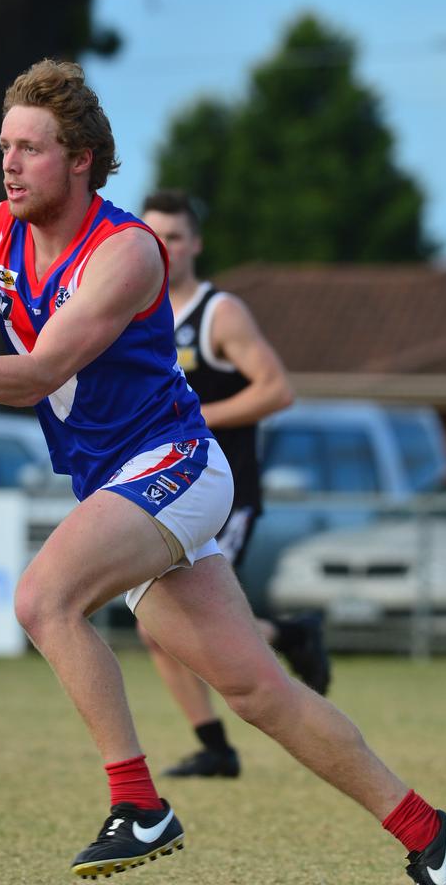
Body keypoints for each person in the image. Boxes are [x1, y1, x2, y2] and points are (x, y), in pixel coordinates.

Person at [0, 59, 446, 884]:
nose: (11, 165)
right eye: (4, 147)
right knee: (257, 694)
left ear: (82, 157)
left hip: (177, 464)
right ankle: (430, 832)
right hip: (121, 482)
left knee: (41, 599)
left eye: (31, 148)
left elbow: (31, 376)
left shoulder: (124, 251)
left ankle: (138, 803)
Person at [137, 188, 329, 780]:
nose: (163, 247)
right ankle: (217, 740)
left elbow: (277, 390)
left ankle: (284, 646)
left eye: (174, 236)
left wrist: (197, 422)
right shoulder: (133, 310)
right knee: (157, 622)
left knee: (183, 622)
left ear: (194, 244)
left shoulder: (218, 313)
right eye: (153, 236)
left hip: (227, 493)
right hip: (164, 491)